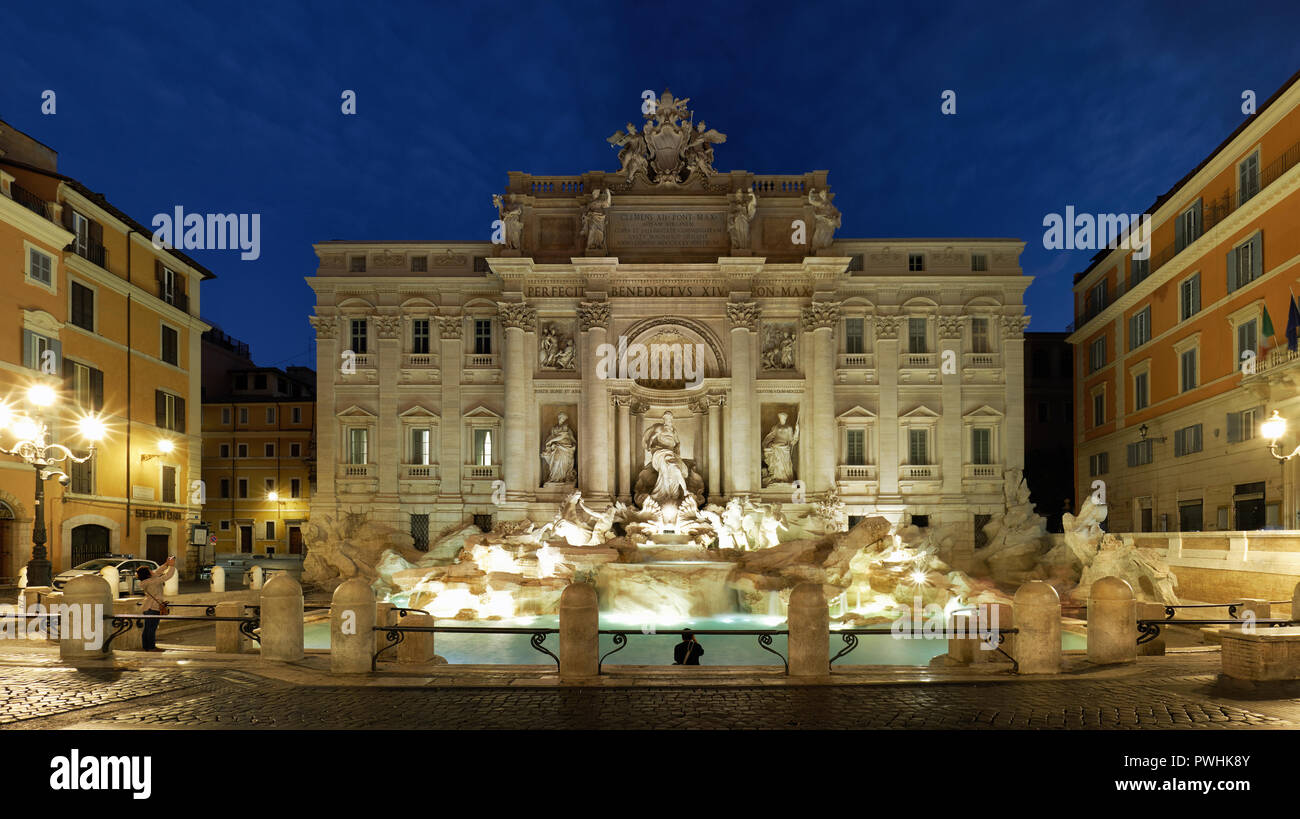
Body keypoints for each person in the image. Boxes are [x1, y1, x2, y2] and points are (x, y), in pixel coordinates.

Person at [138, 556, 175, 652]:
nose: (152, 571)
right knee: (151, 628)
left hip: (147, 607)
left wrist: (166, 564)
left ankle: (146, 646)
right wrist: (171, 566)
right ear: (147, 574)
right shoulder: (153, 582)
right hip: (153, 607)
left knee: (147, 628)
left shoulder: (146, 581)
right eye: (150, 570)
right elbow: (167, 576)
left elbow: (157, 572)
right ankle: (151, 647)